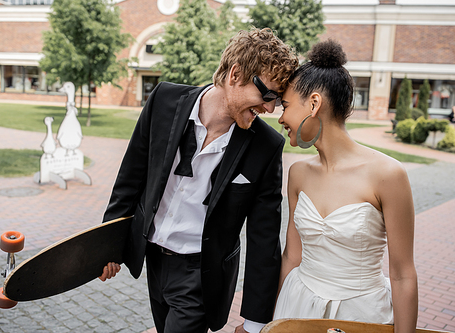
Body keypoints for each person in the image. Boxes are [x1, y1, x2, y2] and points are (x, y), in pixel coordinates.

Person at [99, 28, 299, 333]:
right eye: (267, 95)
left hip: (202, 274)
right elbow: (130, 178)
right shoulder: (164, 100)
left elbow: (264, 238)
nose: (270, 108)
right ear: (235, 74)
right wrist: (108, 245)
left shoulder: (266, 146)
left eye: (277, 101)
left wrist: (256, 321)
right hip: (153, 258)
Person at [275, 39, 418, 333]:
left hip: (361, 313)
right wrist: (278, 321)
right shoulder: (298, 173)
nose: (281, 117)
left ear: (314, 104)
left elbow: (403, 274)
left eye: (286, 106)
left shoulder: (388, 174)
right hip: (298, 304)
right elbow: (292, 255)